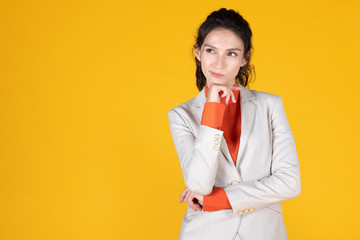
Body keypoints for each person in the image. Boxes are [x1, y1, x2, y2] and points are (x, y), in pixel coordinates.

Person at [168, 8, 301, 240]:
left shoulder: (270, 106)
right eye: (211, 51)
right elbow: (199, 185)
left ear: (244, 58)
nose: (219, 64)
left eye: (231, 53)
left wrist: (218, 200)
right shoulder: (181, 115)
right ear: (198, 53)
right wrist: (212, 110)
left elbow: (290, 183)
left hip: (264, 232)